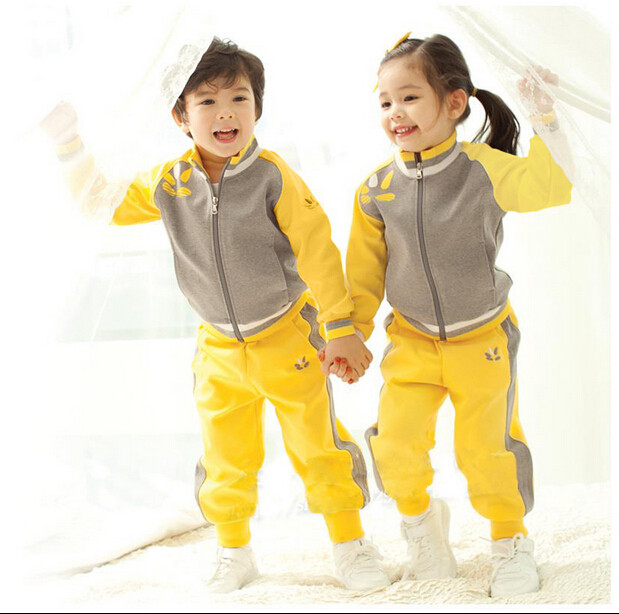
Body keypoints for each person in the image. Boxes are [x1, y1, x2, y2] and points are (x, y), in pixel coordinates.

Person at [40, 37, 389, 594]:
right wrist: (68, 143)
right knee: (225, 456)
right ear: (181, 117)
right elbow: (99, 202)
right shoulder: (170, 182)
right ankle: (234, 551)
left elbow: (318, 252)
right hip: (219, 349)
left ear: (257, 109)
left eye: (238, 99)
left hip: (288, 337)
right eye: (207, 101)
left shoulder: (274, 176)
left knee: (318, 444)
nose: (225, 113)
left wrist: (341, 329)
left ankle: (350, 544)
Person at [323, 33, 572, 597]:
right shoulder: (376, 190)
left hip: (482, 339)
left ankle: (510, 539)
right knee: (394, 443)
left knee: (486, 451)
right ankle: (422, 526)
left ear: (455, 102)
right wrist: (349, 334)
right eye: (385, 102)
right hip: (412, 343)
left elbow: (551, 187)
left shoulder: (483, 170)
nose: (395, 112)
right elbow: (363, 278)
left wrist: (545, 116)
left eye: (409, 97)